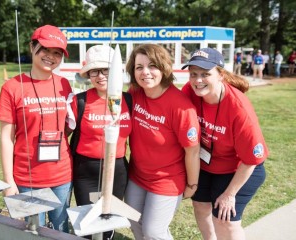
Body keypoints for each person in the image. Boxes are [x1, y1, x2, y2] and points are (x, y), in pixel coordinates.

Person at [181, 48, 268, 240]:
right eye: (193, 74)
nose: (198, 80)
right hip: (207, 162)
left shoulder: (239, 109)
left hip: (239, 168)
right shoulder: (189, 91)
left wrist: (230, 194)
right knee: (200, 206)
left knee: (224, 219)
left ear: (220, 74)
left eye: (205, 74)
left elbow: (251, 160)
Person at [0, 25, 73, 233]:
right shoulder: (12, 87)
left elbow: (67, 127)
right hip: (26, 178)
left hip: (62, 176)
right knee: (31, 232)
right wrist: (8, 181)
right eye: (45, 49)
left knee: (60, 231)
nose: (50, 57)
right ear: (32, 46)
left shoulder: (65, 84)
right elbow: (6, 138)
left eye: (57, 53)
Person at [124, 44, 200, 239]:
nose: (145, 72)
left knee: (154, 231)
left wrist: (192, 185)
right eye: (139, 67)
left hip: (167, 179)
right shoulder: (134, 93)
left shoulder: (180, 107)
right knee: (133, 221)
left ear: (164, 68)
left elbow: (192, 151)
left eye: (152, 66)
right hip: (137, 175)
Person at [66, 45, 131, 240]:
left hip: (117, 170)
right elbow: (64, 134)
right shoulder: (80, 101)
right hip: (86, 171)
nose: (101, 75)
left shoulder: (129, 100)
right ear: (88, 74)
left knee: (108, 221)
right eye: (95, 71)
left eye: (106, 70)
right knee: (89, 223)